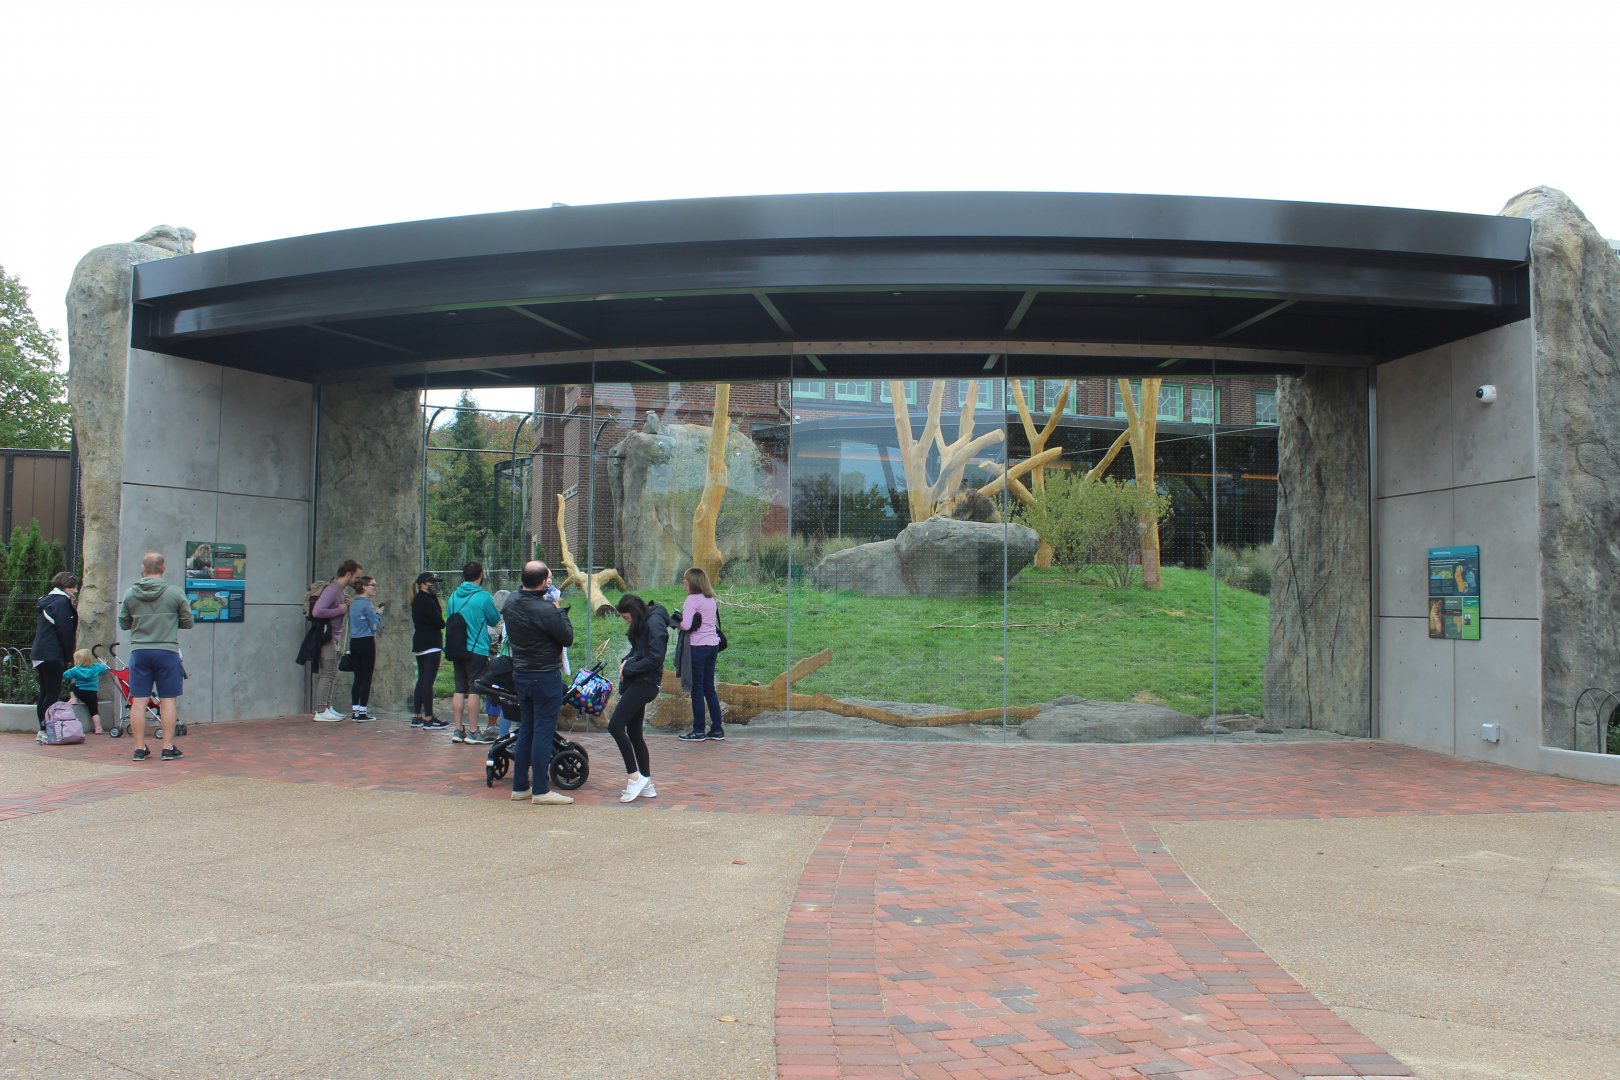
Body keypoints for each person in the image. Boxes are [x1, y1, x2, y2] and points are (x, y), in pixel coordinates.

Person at [501, 560, 575, 805]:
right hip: (545, 676)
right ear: (543, 582)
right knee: (543, 731)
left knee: (527, 729)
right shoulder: (546, 610)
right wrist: (558, 609)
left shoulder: (511, 602)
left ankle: (520, 786)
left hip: (521, 673)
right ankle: (541, 789)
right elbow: (567, 637)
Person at [117, 551, 194, 761]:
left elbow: (123, 623)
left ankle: (139, 749)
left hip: (140, 652)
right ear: (163, 568)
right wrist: (168, 623)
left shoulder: (131, 594)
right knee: (168, 700)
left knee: (138, 701)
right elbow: (188, 621)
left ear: (143, 568)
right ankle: (168, 747)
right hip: (167, 652)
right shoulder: (175, 593)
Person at [610, 592, 669, 802]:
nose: (626, 622)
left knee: (615, 726)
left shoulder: (654, 624)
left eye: (626, 618)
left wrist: (628, 668)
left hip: (645, 683)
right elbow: (639, 650)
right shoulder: (645, 621)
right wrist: (626, 662)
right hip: (640, 681)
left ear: (633, 613)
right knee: (634, 733)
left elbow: (655, 658)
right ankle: (647, 783)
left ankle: (634, 777)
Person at [446, 561, 501, 745]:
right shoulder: (483, 597)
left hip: (456, 648)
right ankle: (473, 731)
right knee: (475, 689)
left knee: (459, 688)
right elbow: (494, 620)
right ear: (481, 574)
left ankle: (457, 729)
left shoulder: (453, 596)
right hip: (476, 649)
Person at [675, 566, 724, 742]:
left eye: (685, 580)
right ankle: (717, 728)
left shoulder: (692, 600)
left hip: (697, 647)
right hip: (712, 646)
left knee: (697, 690)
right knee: (709, 688)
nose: (683, 582)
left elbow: (687, 626)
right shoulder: (710, 599)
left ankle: (698, 730)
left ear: (691, 582)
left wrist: (676, 620)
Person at [31, 572, 80, 742]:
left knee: (45, 693)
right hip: (53, 654)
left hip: (40, 653)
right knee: (52, 694)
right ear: (67, 586)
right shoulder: (62, 602)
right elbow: (65, 631)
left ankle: (42, 730)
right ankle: (48, 731)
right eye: (73, 587)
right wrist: (69, 655)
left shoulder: (47, 600)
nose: (75, 590)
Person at [311, 560, 361, 721]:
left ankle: (327, 706)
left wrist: (348, 604)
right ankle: (320, 710)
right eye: (356, 576)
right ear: (348, 574)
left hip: (335, 637)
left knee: (331, 673)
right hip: (328, 638)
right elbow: (318, 612)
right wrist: (340, 609)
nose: (357, 581)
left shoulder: (342, 590)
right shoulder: (332, 590)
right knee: (327, 673)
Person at [409, 572, 447, 730]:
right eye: (432, 582)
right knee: (428, 682)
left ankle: (417, 715)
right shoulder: (427, 601)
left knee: (422, 680)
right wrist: (435, 600)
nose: (435, 585)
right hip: (431, 643)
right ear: (422, 584)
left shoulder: (417, 600)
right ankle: (429, 718)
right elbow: (440, 622)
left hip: (420, 642)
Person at [347, 576, 381, 721]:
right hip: (366, 641)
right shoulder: (367, 604)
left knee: (357, 677)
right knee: (366, 677)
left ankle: (355, 710)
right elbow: (375, 626)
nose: (375, 588)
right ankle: (362, 712)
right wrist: (378, 614)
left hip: (354, 642)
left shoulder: (353, 604)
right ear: (365, 587)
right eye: (373, 585)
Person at [62, 647, 111, 736]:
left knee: (72, 685)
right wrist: (103, 665)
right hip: (92, 693)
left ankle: (73, 699)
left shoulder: (76, 669)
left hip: (80, 692)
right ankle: (98, 728)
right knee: (94, 711)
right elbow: (103, 670)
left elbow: (65, 676)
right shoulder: (95, 667)